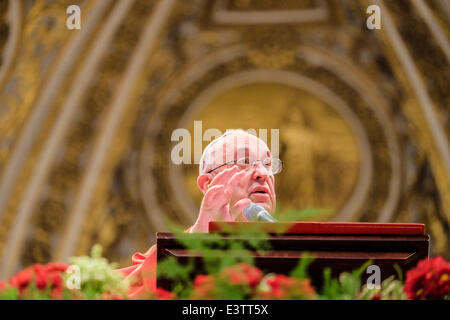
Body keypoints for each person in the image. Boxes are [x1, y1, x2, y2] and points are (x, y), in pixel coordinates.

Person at [116, 129, 282, 298]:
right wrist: (199, 237)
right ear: (208, 185)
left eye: (268, 164)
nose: (263, 173)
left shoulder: (299, 253)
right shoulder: (166, 257)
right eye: (245, 161)